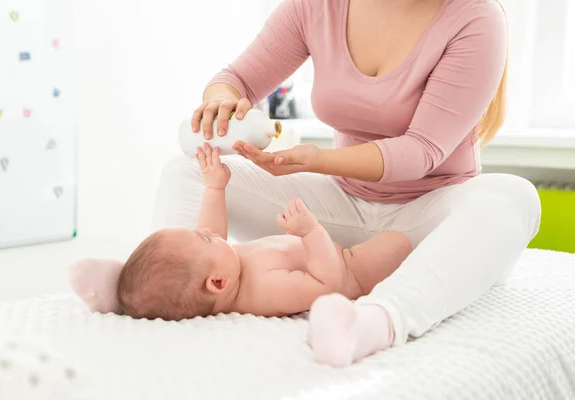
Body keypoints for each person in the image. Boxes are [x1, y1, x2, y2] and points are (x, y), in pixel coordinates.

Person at [152, 0, 541, 367]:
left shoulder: (475, 17)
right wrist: (221, 101)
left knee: (515, 197)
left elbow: (422, 151)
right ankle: (159, 288)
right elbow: (236, 80)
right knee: (186, 171)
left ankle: (375, 322)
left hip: (430, 220)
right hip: (336, 216)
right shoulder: (319, 7)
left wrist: (321, 160)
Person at [115, 144, 412, 322]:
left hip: (333, 252)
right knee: (401, 243)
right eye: (205, 239)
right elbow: (327, 284)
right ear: (217, 283)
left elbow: (212, 229)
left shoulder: (226, 268)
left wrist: (215, 187)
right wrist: (310, 232)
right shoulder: (265, 290)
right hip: (351, 268)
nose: (208, 232)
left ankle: (121, 283)